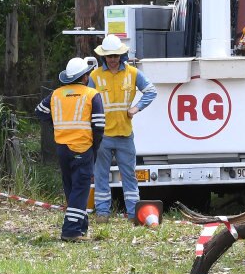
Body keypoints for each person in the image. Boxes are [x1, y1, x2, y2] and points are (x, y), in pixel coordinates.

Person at [36, 56, 105, 241]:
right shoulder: (92, 94)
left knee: (71, 188)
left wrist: (56, 124)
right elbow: (99, 126)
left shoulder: (56, 94)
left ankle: (81, 226)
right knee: (80, 189)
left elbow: (39, 111)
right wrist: (94, 148)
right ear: (84, 77)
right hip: (83, 147)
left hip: (62, 148)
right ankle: (71, 231)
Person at [89, 34, 157, 221]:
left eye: (115, 56)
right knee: (101, 176)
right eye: (109, 56)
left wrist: (136, 108)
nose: (112, 60)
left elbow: (151, 91)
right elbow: (88, 102)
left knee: (130, 177)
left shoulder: (132, 73)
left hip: (125, 135)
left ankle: (134, 214)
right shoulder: (95, 76)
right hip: (102, 136)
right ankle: (102, 214)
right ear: (104, 56)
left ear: (121, 55)